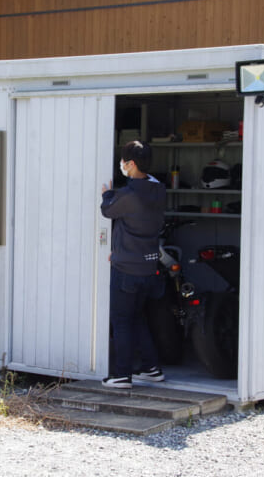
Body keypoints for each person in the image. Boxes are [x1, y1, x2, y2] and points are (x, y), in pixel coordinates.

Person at [100, 140, 167, 389]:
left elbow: (107, 210)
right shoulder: (158, 189)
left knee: (121, 320)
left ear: (131, 164)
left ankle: (121, 375)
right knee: (137, 317)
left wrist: (107, 194)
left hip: (126, 270)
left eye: (123, 162)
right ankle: (151, 368)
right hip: (149, 266)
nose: (121, 165)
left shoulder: (128, 194)